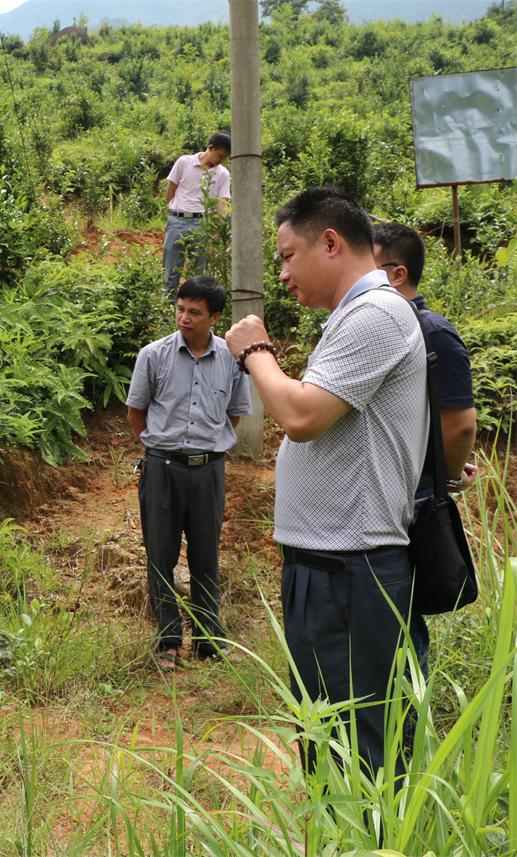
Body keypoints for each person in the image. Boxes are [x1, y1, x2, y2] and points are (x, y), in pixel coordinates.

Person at [225, 186, 428, 777]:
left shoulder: (376, 314)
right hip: (333, 570)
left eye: (288, 256)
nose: (282, 272)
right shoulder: (356, 317)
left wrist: (255, 349)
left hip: (352, 572)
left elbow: (302, 416)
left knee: (359, 751)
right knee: (325, 739)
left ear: (331, 243)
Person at [126, 275, 251, 671]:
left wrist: (207, 447)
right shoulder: (153, 355)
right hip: (162, 468)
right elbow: (136, 412)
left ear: (214, 316)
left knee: (205, 554)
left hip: (208, 471)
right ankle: (167, 642)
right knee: (160, 554)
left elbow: (234, 414)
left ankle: (207, 638)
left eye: (194, 312)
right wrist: (158, 448)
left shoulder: (231, 360)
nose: (184, 318)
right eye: (180, 309)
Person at [373, 221, 477, 671]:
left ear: (397, 274)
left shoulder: (431, 331)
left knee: (402, 618)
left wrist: (445, 478)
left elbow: (459, 427)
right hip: (383, 493)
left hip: (413, 498)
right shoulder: (379, 325)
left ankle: (410, 732)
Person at [163, 132, 232, 296]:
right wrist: (174, 212)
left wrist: (223, 227)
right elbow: (170, 191)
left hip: (201, 224)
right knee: (170, 272)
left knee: (198, 275)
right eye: (220, 156)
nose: (222, 161)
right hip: (177, 221)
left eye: (225, 158)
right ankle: (168, 312)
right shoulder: (184, 162)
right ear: (210, 148)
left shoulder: (223, 174)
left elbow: (222, 203)